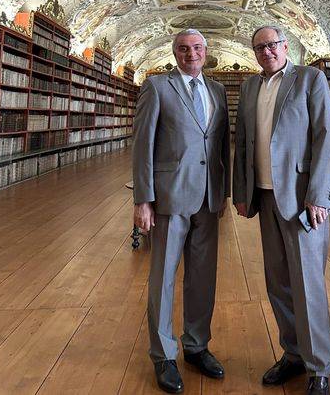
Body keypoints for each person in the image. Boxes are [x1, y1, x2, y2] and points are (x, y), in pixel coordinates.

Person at [233, 25, 330, 395]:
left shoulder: (310, 79)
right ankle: (292, 354)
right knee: (277, 281)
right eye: (258, 47)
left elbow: (326, 135)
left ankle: (318, 367)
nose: (266, 52)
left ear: (285, 46)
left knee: (307, 284)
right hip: (263, 196)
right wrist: (240, 193)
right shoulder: (248, 87)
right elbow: (243, 141)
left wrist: (319, 195)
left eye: (271, 45)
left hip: (301, 200)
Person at [133, 29, 230, 394]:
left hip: (208, 199)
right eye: (183, 49)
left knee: (203, 277)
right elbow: (142, 145)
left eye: (197, 48)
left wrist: (224, 193)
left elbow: (221, 145)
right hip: (169, 199)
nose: (191, 54)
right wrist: (142, 199)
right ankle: (162, 354)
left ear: (206, 52)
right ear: (175, 53)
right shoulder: (157, 87)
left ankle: (196, 345)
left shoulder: (218, 90)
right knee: (163, 277)